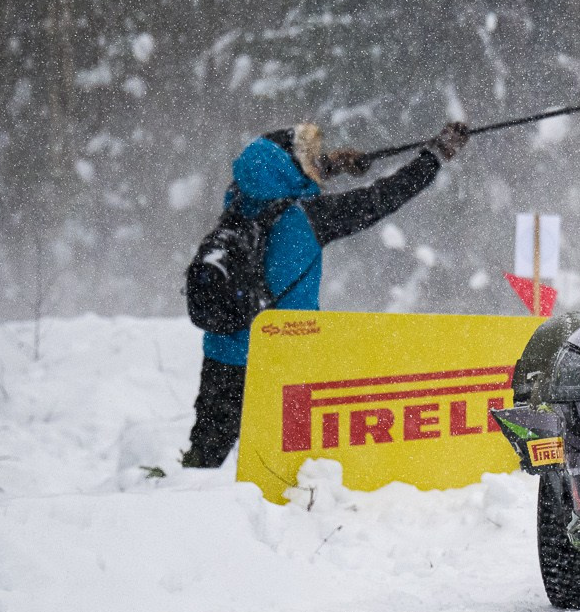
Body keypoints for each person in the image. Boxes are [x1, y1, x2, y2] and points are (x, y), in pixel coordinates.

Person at [181, 120, 469, 468]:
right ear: (294, 166)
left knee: (202, 460)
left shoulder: (238, 201)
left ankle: (180, 493)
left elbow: (276, 176)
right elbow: (382, 197)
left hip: (223, 354)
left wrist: (332, 166)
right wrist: (434, 156)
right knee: (285, 467)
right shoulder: (309, 218)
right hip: (281, 357)